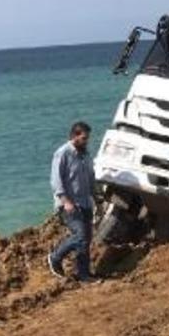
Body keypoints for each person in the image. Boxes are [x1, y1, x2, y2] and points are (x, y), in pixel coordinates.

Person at [47, 121, 97, 282]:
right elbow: (56, 180)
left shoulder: (85, 154)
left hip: (85, 203)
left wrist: (96, 197)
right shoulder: (62, 153)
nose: (86, 141)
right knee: (80, 236)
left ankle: (84, 274)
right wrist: (65, 201)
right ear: (74, 136)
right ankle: (55, 257)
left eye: (87, 138)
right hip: (69, 204)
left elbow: (90, 177)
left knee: (86, 239)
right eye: (84, 138)